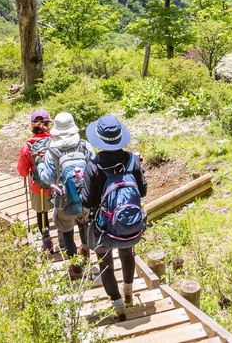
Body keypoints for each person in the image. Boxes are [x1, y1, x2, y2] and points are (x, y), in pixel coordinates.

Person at [81, 114, 147, 316]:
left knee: (106, 265)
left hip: (102, 228)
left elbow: (87, 201)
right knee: (127, 254)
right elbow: (142, 191)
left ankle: (118, 308)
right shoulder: (131, 160)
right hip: (128, 224)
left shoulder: (94, 164)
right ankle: (128, 294)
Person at [37, 112, 94, 279]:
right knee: (84, 224)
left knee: (67, 232)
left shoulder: (52, 151)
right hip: (85, 198)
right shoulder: (84, 145)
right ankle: (85, 248)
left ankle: (75, 267)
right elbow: (94, 167)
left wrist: (40, 165)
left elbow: (47, 178)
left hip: (63, 201)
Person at [16, 109, 54, 252]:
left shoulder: (28, 146)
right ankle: (63, 237)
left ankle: (47, 243)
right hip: (57, 185)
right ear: (48, 124)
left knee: (41, 213)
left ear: (32, 126)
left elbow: (23, 171)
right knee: (60, 209)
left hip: (39, 187)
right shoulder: (56, 141)